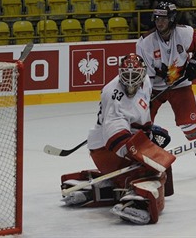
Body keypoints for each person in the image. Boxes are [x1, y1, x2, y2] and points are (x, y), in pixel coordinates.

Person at [60, 53, 176, 225]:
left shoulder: (146, 82)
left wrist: (149, 131)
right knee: (156, 170)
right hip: (107, 150)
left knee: (158, 165)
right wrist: (147, 153)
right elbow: (117, 142)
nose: (130, 81)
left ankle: (101, 188)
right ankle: (137, 201)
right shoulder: (114, 98)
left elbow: (138, 116)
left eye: (134, 76)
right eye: (126, 76)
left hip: (118, 142)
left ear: (143, 73)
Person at [135, 1, 196, 173]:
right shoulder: (145, 42)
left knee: (190, 125)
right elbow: (145, 77)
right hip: (154, 87)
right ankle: (138, 157)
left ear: (171, 19)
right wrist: (145, 96)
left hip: (181, 85)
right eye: (157, 18)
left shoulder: (185, 33)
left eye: (163, 18)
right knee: (141, 123)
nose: (159, 22)